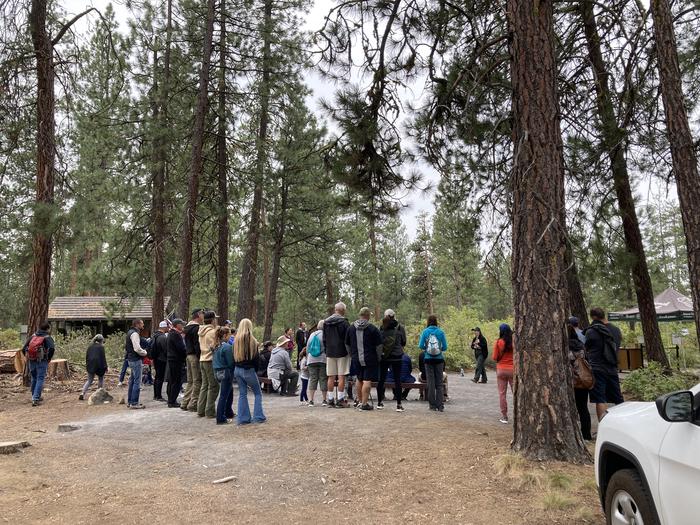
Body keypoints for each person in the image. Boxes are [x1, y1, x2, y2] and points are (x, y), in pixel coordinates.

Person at [585, 307, 624, 422]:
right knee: (618, 398)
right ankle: (623, 423)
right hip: (612, 367)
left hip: (597, 368)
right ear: (604, 315)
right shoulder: (616, 330)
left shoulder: (591, 331)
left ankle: (603, 426)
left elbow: (586, 347)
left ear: (593, 317)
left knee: (600, 399)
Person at [346, 307, 383, 411]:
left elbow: (347, 344)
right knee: (367, 380)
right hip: (370, 358)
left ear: (360, 315)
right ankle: (364, 403)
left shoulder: (351, 328)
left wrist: (351, 354)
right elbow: (379, 346)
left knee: (359, 379)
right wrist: (378, 357)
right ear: (368, 316)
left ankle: (360, 401)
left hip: (356, 358)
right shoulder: (373, 328)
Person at [233, 318, 266, 425]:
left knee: (243, 393)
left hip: (237, 369)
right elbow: (256, 359)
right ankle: (258, 417)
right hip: (249, 370)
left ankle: (243, 418)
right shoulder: (253, 341)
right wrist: (255, 370)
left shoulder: (236, 341)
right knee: (257, 393)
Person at [377, 309, 407, 412]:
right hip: (397, 356)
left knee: (381, 379)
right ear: (394, 316)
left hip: (384, 357)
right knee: (397, 380)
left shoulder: (382, 327)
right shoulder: (399, 327)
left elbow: (379, 342)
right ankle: (399, 404)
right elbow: (404, 342)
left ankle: (379, 403)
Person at [323, 302, 351, 408]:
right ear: (343, 310)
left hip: (330, 352)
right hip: (342, 352)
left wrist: (327, 350)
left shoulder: (326, 322)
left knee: (330, 376)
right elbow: (348, 339)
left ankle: (330, 400)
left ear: (335, 310)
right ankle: (340, 400)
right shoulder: (344, 322)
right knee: (341, 376)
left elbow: (324, 339)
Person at [418, 315, 448, 412]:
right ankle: (440, 405)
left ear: (428, 322)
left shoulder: (425, 332)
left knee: (430, 383)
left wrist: (427, 349)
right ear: (436, 322)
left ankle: (432, 405)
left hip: (428, 360)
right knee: (439, 383)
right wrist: (439, 349)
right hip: (439, 360)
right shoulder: (440, 332)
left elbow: (420, 345)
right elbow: (445, 347)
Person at [22, 321, 56, 406]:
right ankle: (35, 398)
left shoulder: (33, 336)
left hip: (32, 360)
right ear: (48, 328)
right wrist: (48, 358)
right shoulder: (47, 337)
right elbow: (52, 348)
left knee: (34, 378)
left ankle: (35, 395)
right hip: (42, 360)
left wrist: (27, 357)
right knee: (40, 378)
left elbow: (24, 348)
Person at [568, 323, 592, 441]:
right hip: (583, 380)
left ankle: (573, 434)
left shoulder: (565, 347)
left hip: (570, 382)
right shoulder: (581, 346)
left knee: (570, 408)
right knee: (583, 407)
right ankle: (586, 434)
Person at [197, 310, 219, 418]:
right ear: (212, 320)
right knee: (213, 386)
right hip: (209, 360)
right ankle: (210, 411)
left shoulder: (201, 331)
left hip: (202, 359)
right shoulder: (212, 332)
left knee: (204, 386)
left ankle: (201, 410)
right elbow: (214, 347)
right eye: (215, 319)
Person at [182, 308, 204, 411]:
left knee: (190, 380)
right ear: (198, 315)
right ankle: (193, 404)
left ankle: (185, 402)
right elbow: (197, 345)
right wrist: (200, 357)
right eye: (202, 314)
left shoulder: (187, 328)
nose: (203, 316)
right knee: (197, 381)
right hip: (195, 356)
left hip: (188, 355)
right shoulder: (197, 328)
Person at [212, 326, 235, 425]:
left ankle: (228, 412)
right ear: (225, 335)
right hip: (226, 372)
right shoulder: (227, 347)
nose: (230, 336)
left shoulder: (216, 346)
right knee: (223, 396)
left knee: (229, 391)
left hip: (217, 372)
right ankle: (220, 418)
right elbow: (230, 362)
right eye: (229, 334)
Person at [123, 319, 148, 409]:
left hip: (130, 359)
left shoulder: (130, 332)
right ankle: (134, 403)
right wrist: (145, 353)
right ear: (137, 324)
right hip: (135, 359)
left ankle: (130, 402)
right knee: (137, 382)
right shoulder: (135, 334)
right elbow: (137, 348)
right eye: (142, 323)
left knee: (132, 381)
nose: (143, 325)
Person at [493, 323, 514, 424]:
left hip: (501, 369)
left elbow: (494, 357)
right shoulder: (514, 341)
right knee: (516, 393)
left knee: (502, 394)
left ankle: (504, 416)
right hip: (513, 369)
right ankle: (519, 413)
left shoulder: (498, 342)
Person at [305, 320, 328, 407]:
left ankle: (311, 400)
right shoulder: (325, 335)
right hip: (322, 359)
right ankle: (324, 400)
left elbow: (307, 348)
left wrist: (307, 359)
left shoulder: (312, 334)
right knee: (323, 379)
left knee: (313, 379)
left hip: (311, 359)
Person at [79, 334, 108, 400]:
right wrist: (105, 367)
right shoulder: (101, 347)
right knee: (100, 379)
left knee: (89, 380)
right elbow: (103, 358)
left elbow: (87, 356)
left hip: (90, 364)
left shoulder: (90, 346)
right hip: (99, 365)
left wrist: (87, 365)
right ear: (101, 340)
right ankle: (98, 394)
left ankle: (82, 393)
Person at [166, 319, 187, 407]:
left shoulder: (171, 334)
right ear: (177, 325)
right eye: (181, 324)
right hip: (176, 360)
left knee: (172, 380)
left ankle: (171, 399)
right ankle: (172, 401)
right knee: (176, 381)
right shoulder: (176, 334)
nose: (182, 326)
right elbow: (181, 348)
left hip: (172, 359)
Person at [151, 321, 170, 401]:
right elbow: (165, 349)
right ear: (164, 327)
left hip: (155, 358)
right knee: (160, 378)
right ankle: (158, 396)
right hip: (161, 359)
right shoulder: (162, 337)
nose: (168, 329)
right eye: (167, 327)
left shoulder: (155, 335)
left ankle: (156, 395)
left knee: (157, 377)